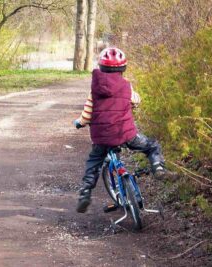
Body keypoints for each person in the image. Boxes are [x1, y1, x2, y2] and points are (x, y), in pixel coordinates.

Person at [74, 47, 176, 213]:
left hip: (101, 138)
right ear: (123, 68)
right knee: (152, 145)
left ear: (101, 67)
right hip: (126, 134)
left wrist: (79, 122)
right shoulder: (126, 86)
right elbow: (136, 100)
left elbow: (87, 114)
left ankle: (85, 192)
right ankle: (158, 168)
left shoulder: (95, 90)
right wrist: (131, 105)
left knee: (94, 162)